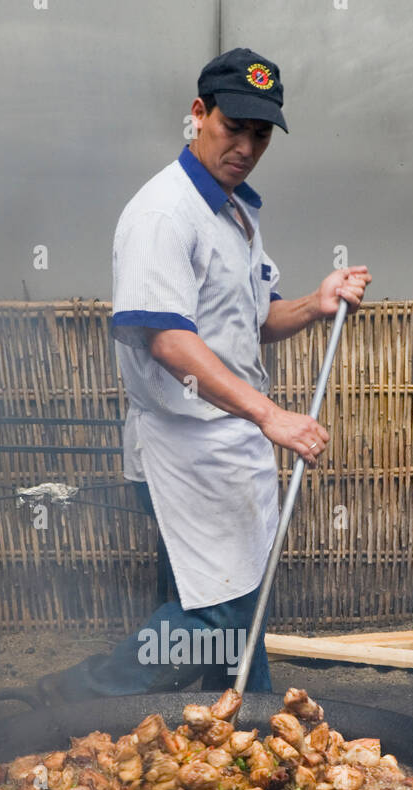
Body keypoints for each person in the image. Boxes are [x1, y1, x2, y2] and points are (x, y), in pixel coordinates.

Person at [51, 47, 370, 700]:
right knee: (216, 612)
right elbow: (168, 341)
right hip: (184, 444)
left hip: (231, 444)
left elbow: (251, 320)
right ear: (198, 115)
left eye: (260, 135)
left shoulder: (234, 211)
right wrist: (268, 413)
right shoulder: (164, 214)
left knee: (235, 608)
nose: (246, 147)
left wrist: (317, 301)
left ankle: (245, 728)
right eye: (233, 128)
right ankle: (72, 701)